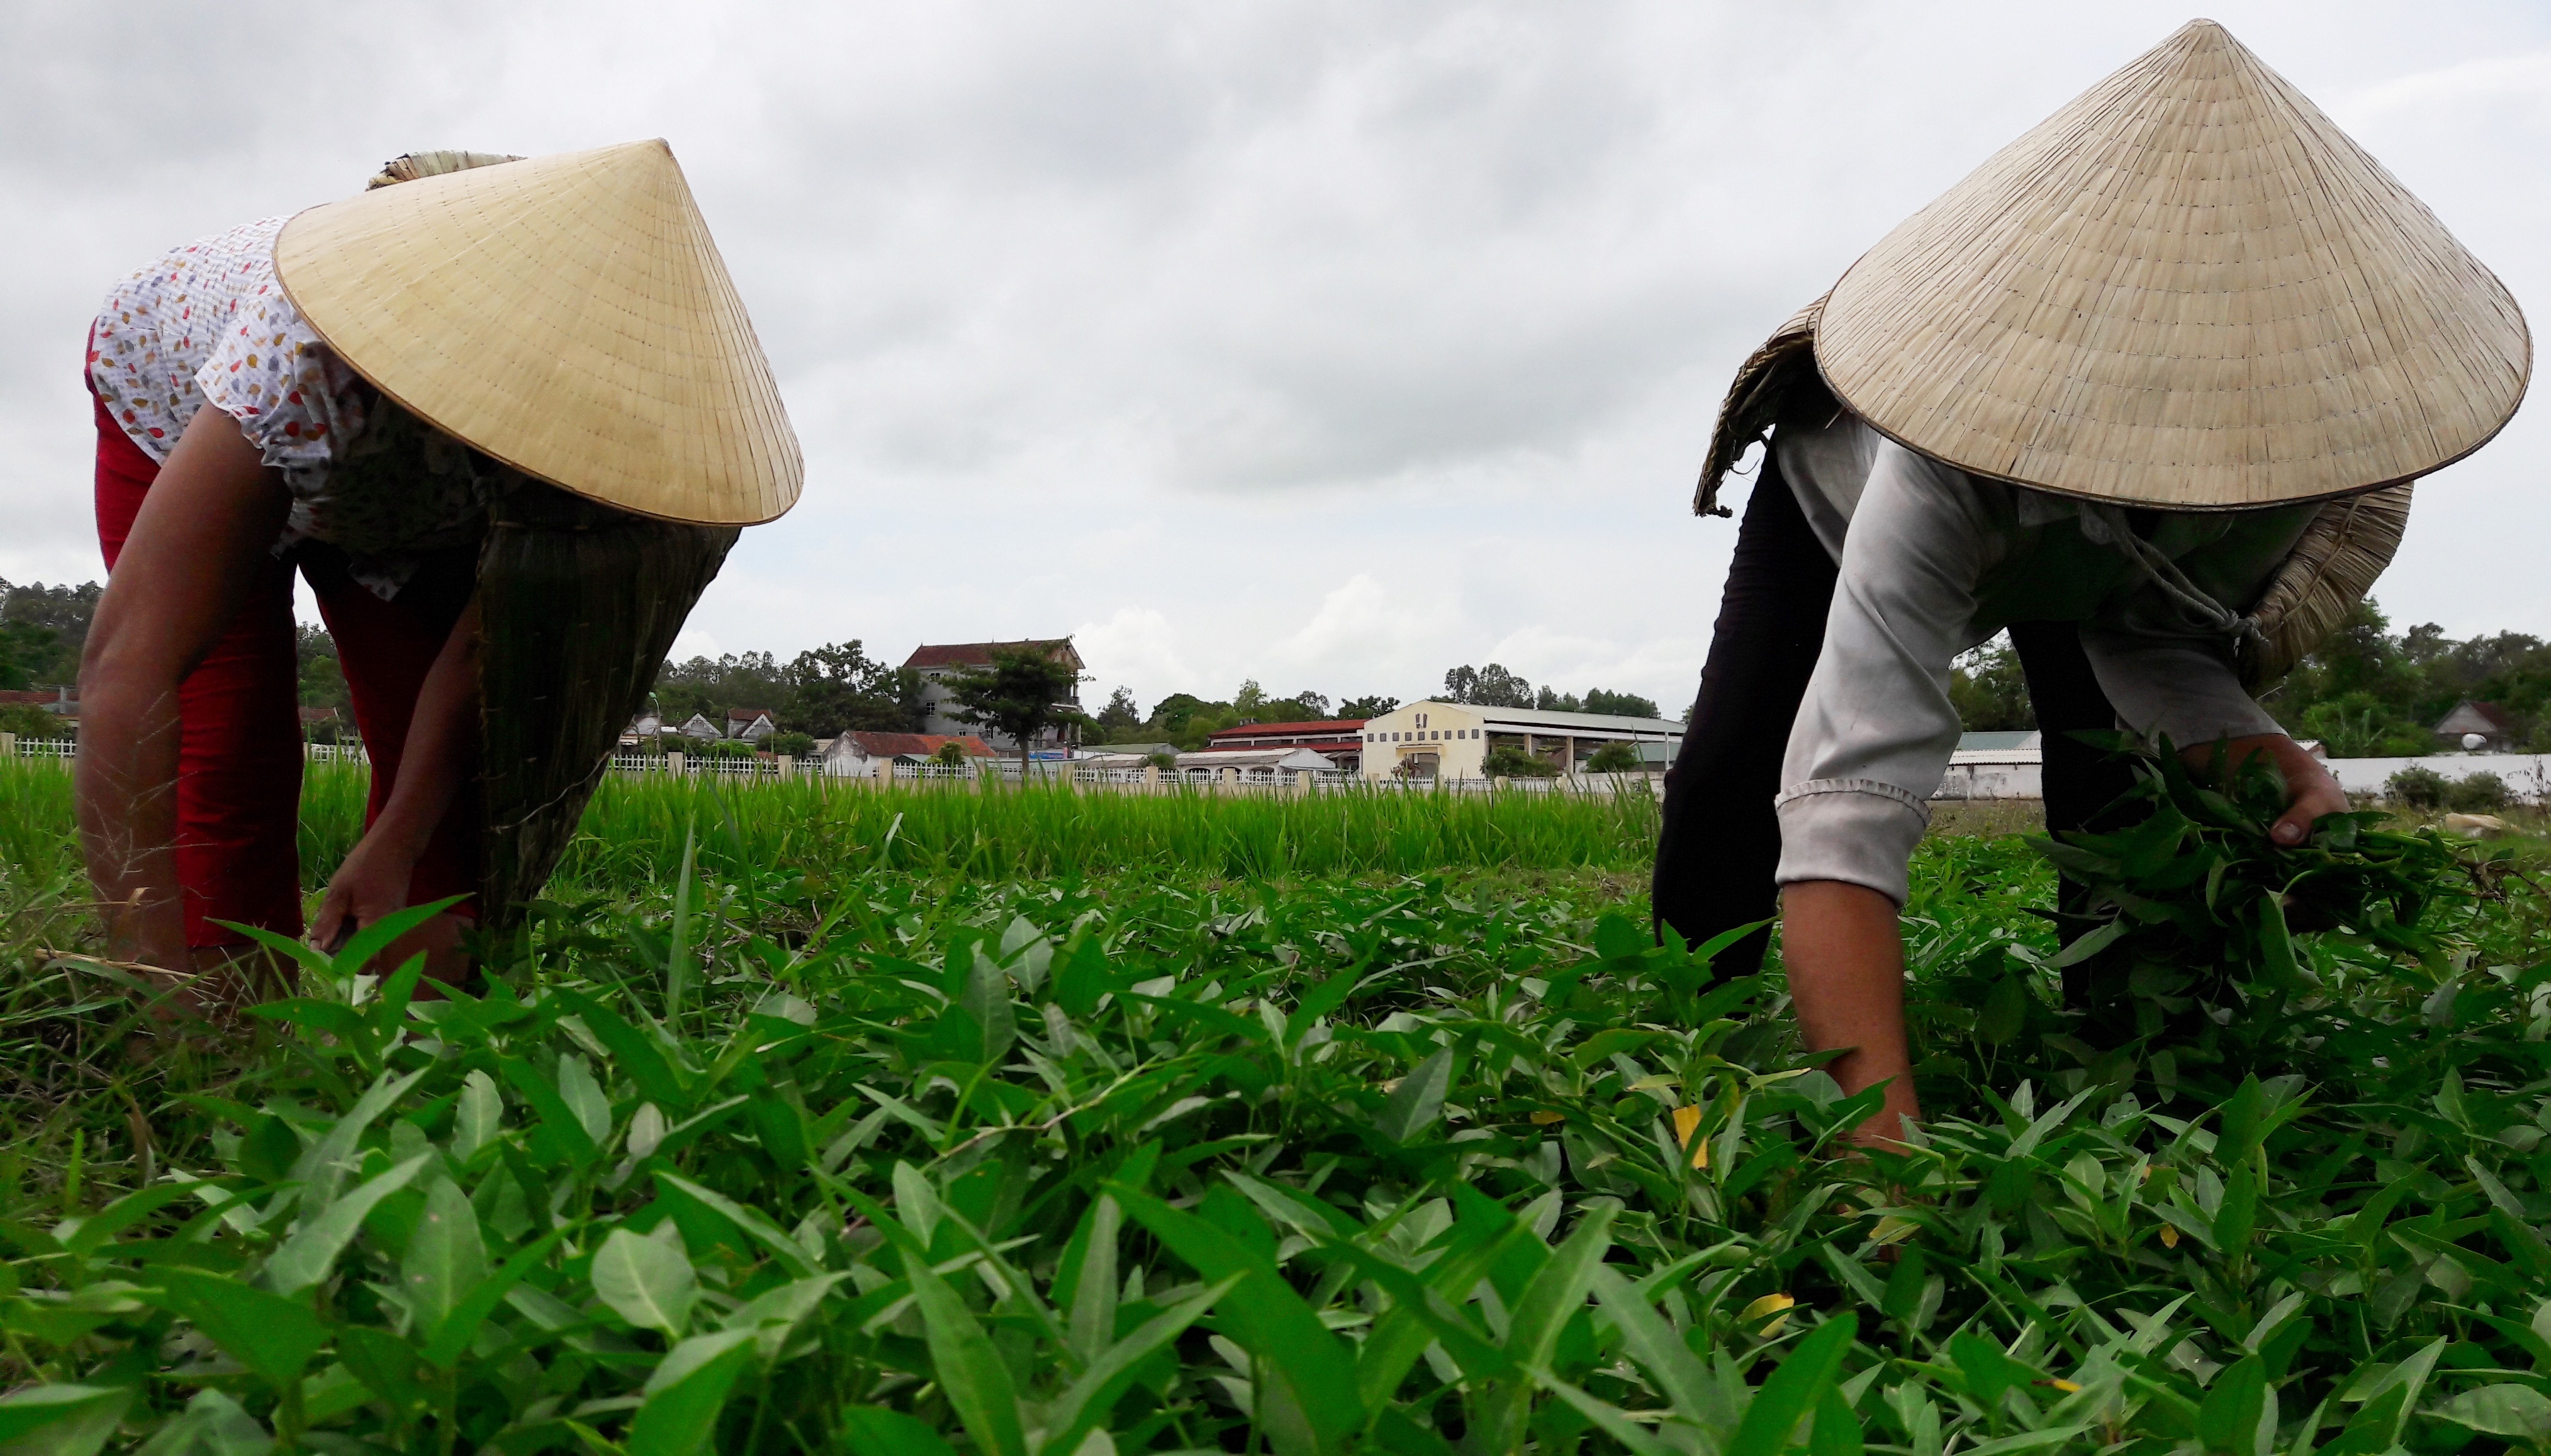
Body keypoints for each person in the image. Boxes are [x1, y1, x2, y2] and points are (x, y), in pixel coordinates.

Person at [1653, 20, 2529, 1144]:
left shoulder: (2286, 469)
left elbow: (2153, 637)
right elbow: (1848, 804)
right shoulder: (1939, 464)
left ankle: (2129, 1062)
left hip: (2076, 560)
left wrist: (2254, 747)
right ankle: (1687, 1045)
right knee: (1738, 762)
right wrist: (1882, 1149)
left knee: (2115, 781)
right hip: (1845, 493)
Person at [79, 142, 802, 1009]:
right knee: (229, 754)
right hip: (181, 412)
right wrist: (145, 966)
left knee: (448, 812)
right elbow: (131, 664)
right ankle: (222, 1039)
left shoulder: (603, 429)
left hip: (405, 502)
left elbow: (476, 657)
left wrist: (398, 838)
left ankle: (424, 1057)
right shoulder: (299, 358)